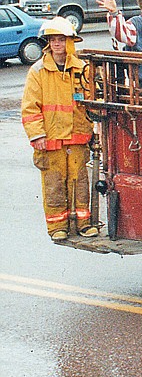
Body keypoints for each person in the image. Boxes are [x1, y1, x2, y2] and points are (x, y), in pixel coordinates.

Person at [21, 16, 99, 241]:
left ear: (70, 42)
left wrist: (95, 130)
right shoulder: (38, 72)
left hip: (77, 137)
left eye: (61, 39)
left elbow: (93, 101)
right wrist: (37, 135)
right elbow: (30, 108)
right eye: (53, 40)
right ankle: (57, 227)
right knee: (54, 184)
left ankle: (83, 224)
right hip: (51, 140)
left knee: (79, 182)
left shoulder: (82, 69)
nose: (56, 44)